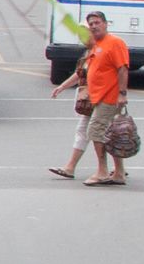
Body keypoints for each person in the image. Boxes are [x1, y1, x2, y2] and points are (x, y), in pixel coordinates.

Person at [53, 13, 136, 185]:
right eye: (91, 24)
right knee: (110, 134)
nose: (94, 26)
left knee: (95, 132)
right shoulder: (97, 46)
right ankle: (119, 173)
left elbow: (122, 69)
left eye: (97, 23)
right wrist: (62, 87)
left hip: (109, 97)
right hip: (97, 98)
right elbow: (85, 72)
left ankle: (102, 172)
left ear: (106, 24)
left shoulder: (115, 43)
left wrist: (122, 94)